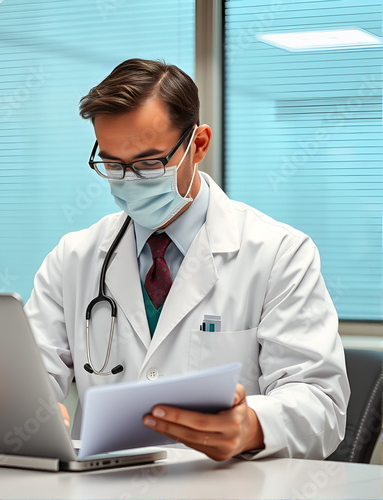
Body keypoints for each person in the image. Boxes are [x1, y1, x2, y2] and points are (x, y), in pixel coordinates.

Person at [24, 58, 349, 461]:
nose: (127, 181)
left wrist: (254, 425)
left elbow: (322, 404)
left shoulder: (280, 253)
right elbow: (28, 377)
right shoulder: (73, 258)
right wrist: (29, 411)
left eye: (148, 163)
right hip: (104, 487)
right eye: (111, 164)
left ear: (198, 145)